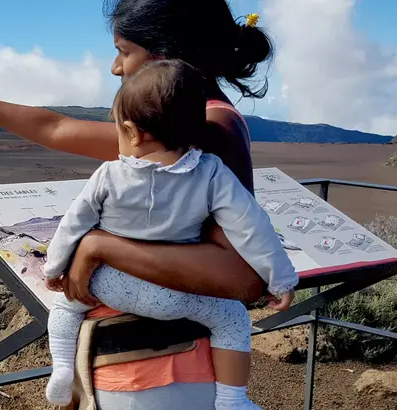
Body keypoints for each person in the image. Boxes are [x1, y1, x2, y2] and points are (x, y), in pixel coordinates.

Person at [0, 0, 277, 408]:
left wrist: (100, 246)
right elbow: (57, 127)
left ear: (166, 53)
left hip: (161, 372)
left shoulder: (207, 131)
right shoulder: (173, 129)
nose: (116, 68)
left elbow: (242, 274)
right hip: (140, 364)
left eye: (124, 51)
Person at [41, 59, 297, 410]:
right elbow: (252, 226)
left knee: (65, 307)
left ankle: (61, 374)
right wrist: (280, 278)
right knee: (232, 318)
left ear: (132, 132)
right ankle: (233, 400)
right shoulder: (210, 173)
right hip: (177, 291)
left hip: (108, 284)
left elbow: (73, 224)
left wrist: (55, 269)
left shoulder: (109, 175)